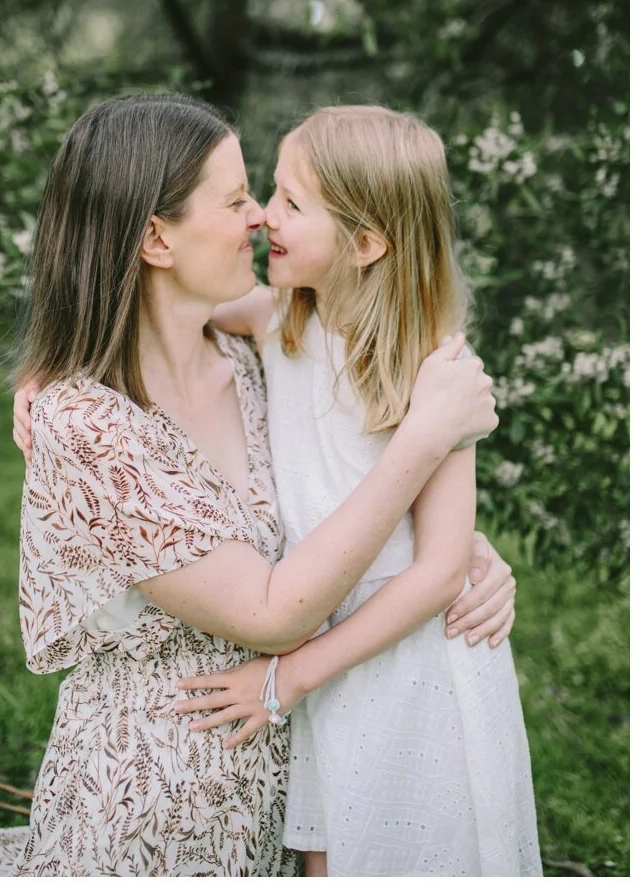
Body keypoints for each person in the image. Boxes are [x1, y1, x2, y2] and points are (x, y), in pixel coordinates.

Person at [0, 94, 516, 877]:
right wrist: (423, 446)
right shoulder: (121, 407)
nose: (261, 217)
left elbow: (344, 494)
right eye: (240, 199)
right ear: (156, 236)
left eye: (278, 198)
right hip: (150, 800)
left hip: (331, 740)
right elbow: (270, 610)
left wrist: (460, 550)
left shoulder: (262, 352)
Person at [173, 106, 540, 875]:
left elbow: (440, 569)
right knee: (328, 848)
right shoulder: (280, 317)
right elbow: (156, 312)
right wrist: (51, 370)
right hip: (320, 628)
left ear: (367, 244)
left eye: (291, 203)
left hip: (410, 662)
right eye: (271, 191)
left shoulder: (428, 370)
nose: (264, 217)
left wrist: (290, 676)